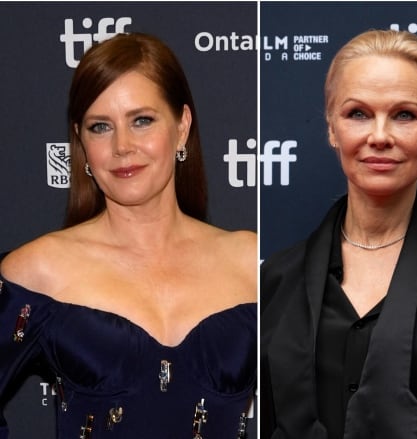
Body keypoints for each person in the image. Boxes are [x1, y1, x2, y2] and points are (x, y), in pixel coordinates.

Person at [260, 29, 417, 439]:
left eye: (404, 115)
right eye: (358, 114)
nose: (379, 136)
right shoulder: (277, 277)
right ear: (332, 128)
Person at [0, 33, 257, 438]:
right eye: (100, 127)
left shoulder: (252, 261)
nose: (122, 146)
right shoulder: (37, 272)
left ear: (182, 126)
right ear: (82, 142)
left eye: (142, 120)